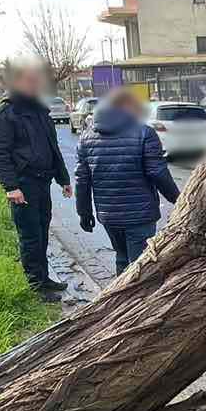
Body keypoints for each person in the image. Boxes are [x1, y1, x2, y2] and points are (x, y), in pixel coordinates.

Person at [0, 63, 73, 301]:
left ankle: (44, 278)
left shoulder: (39, 110)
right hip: (23, 186)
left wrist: (63, 178)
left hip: (42, 183)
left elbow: (52, 148)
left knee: (42, 233)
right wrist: (11, 187)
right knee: (30, 237)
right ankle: (36, 286)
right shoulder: (5, 114)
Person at [74, 87, 181, 274]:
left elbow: (82, 181)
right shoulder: (144, 133)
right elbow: (157, 173)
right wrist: (179, 200)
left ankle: (118, 298)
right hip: (140, 214)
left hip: (108, 216)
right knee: (141, 265)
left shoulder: (86, 138)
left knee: (122, 258)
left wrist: (84, 213)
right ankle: (140, 301)